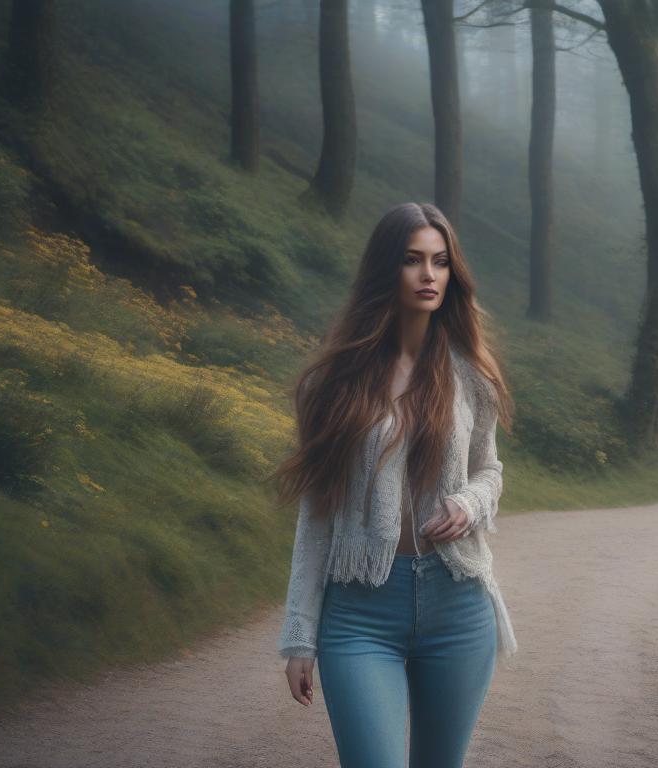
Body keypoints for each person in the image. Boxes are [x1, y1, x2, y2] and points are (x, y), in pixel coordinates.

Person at [269, 202, 517, 768]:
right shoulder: (334, 382)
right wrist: (300, 637)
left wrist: (470, 502)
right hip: (359, 614)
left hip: (457, 604)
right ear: (387, 269)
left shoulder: (469, 373)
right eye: (412, 260)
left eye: (440, 261)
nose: (429, 275)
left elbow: (490, 470)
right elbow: (317, 514)